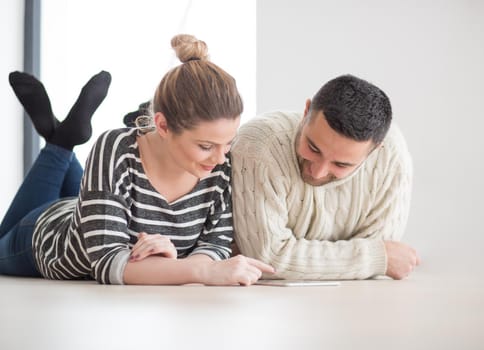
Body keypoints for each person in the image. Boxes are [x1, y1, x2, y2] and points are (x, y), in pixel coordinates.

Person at [0, 34, 274, 285]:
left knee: (91, 202)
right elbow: (107, 263)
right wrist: (200, 270)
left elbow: (215, 245)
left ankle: (60, 139)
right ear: (163, 126)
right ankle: (60, 143)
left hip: (97, 207)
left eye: (228, 142)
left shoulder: (220, 163)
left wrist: (173, 262)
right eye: (205, 146)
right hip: (48, 235)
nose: (219, 157)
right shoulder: (116, 146)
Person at [230, 74, 419, 280]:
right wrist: (373, 258)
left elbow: (379, 243)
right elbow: (267, 258)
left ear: (375, 151)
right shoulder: (260, 144)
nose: (318, 171)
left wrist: (299, 257)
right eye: (313, 148)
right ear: (305, 112)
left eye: (341, 164)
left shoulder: (391, 156)